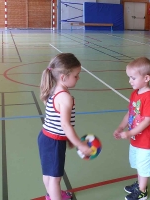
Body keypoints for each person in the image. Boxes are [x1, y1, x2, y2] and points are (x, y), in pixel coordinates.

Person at [38, 53, 91, 200]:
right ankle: (54, 196)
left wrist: (68, 139)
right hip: (54, 142)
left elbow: (57, 122)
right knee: (55, 178)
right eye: (76, 75)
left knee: (48, 174)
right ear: (63, 77)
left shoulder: (54, 89)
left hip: (46, 138)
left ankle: (51, 195)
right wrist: (80, 144)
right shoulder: (65, 97)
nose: (78, 78)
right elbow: (65, 125)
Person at [113, 57, 150, 200]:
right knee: (138, 164)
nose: (130, 81)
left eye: (133, 78)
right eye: (129, 77)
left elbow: (147, 121)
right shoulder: (135, 93)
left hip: (147, 141)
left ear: (146, 78)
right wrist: (121, 127)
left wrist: (129, 133)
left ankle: (142, 192)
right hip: (136, 139)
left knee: (144, 166)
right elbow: (131, 113)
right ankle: (140, 184)